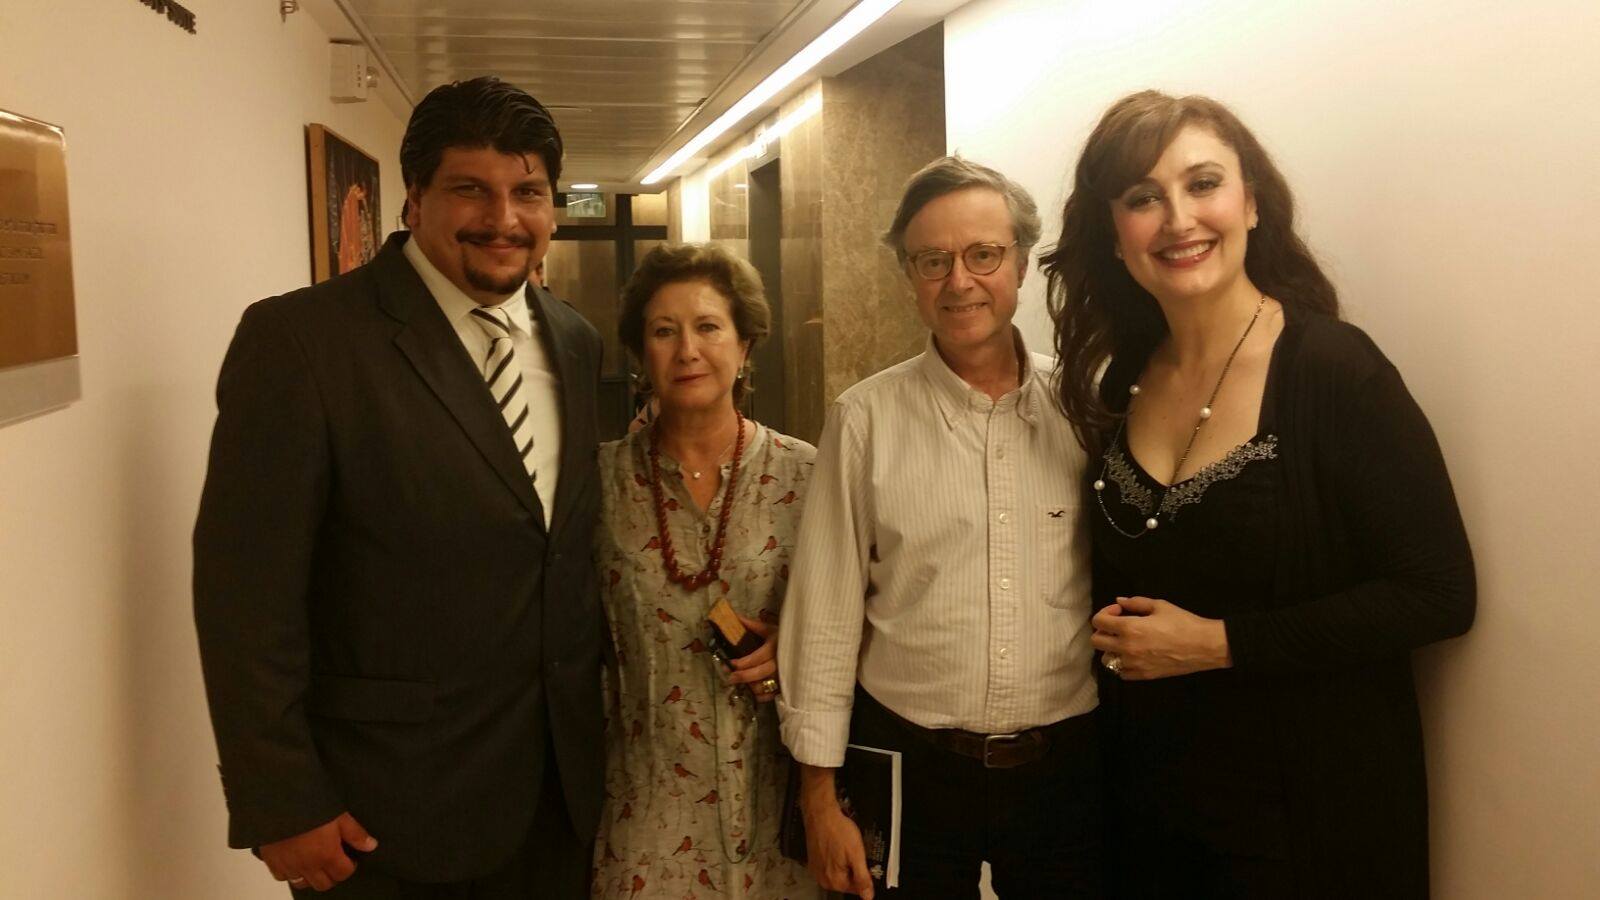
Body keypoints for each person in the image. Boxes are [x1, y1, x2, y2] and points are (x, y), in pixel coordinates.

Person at [1041, 90, 1475, 899]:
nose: (1178, 219)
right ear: (1113, 233)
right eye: (1143, 197)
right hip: (1151, 824)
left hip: (1308, 825)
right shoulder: (1124, 379)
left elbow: (1440, 593)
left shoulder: (1333, 369)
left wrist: (1219, 643)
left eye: (1203, 183)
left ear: (1251, 203)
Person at [193, 76, 605, 898]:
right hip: (382, 815)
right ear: (414, 199)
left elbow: (563, 553)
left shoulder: (574, 340)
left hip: (559, 801)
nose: (503, 218)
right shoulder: (302, 342)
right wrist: (281, 798)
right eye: (470, 189)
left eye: (528, 192)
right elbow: (246, 595)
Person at [777, 157, 1103, 899]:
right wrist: (819, 798)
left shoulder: (1086, 404)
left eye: (983, 254)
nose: (960, 282)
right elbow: (824, 615)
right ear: (909, 275)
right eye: (933, 261)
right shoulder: (863, 420)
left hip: (1066, 771)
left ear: (1020, 262)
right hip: (907, 764)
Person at [591, 243, 819, 899]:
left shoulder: (806, 475)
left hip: (778, 805)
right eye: (664, 331)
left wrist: (795, 646)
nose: (687, 350)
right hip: (643, 811)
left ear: (745, 345)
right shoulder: (597, 481)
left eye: (708, 327)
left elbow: (857, 617)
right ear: (641, 353)